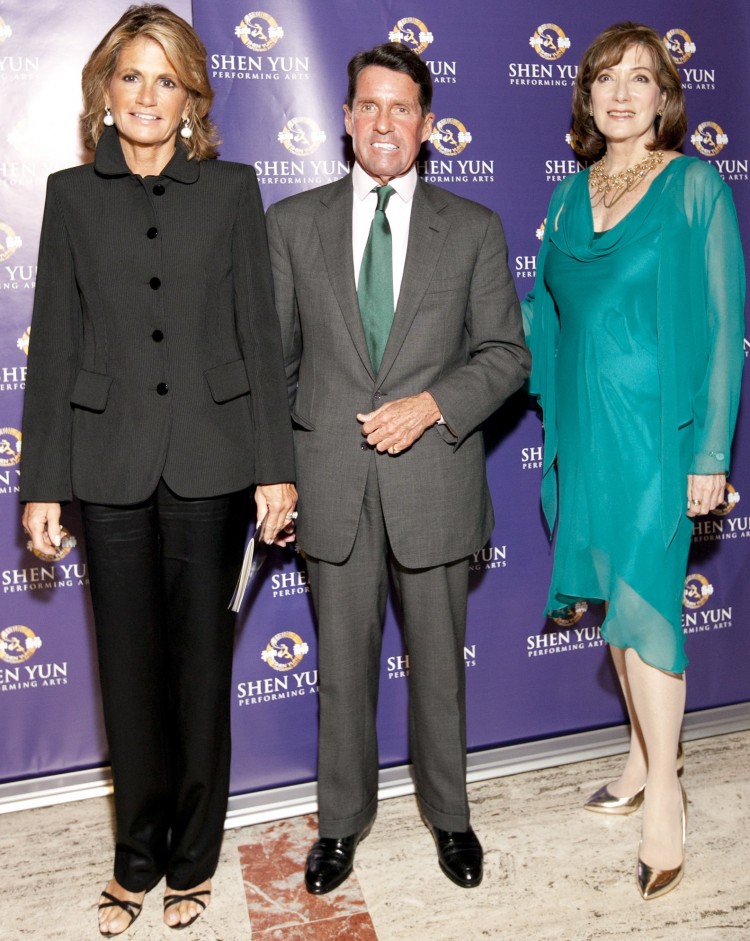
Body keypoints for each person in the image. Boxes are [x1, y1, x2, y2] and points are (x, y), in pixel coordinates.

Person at [20, 5, 296, 935]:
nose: (147, 95)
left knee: (199, 675)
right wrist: (42, 483)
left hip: (215, 465)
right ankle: (134, 856)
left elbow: (260, 337)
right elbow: (54, 345)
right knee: (128, 674)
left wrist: (275, 468)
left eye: (165, 79)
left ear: (192, 100)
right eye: (130, 76)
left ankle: (194, 857)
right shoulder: (68, 192)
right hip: (107, 464)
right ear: (106, 90)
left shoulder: (230, 190)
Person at [266, 42, 529, 894]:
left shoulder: (475, 228)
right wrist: (279, 474)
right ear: (346, 118)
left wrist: (432, 405)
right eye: (370, 106)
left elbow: (505, 356)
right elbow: (277, 366)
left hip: (435, 479)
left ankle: (449, 817)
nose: (385, 122)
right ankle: (341, 825)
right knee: (341, 673)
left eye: (403, 108)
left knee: (440, 670)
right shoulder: (292, 224)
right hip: (331, 484)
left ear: (427, 124)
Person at [524, 22, 744, 900]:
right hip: (587, 431)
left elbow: (727, 329)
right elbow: (547, 315)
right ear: (586, 97)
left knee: (649, 610)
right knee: (617, 597)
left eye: (641, 79)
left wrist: (711, 448)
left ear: (664, 96)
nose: (622, 93)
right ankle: (642, 755)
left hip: (660, 436)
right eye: (606, 78)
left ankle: (667, 798)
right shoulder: (568, 197)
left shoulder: (696, 185)